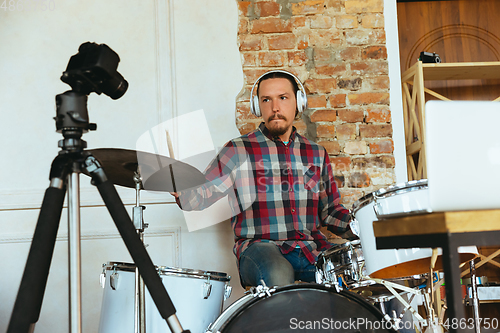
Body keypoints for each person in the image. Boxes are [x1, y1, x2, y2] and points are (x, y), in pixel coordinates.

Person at [172, 70, 357, 288]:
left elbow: (331, 212)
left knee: (348, 271)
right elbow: (200, 195)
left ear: (299, 102)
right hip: (259, 249)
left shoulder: (316, 153)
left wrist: (364, 228)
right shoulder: (237, 150)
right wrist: (179, 186)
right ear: (257, 106)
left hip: (309, 248)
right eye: (266, 100)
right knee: (278, 273)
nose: (275, 107)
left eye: (283, 98)